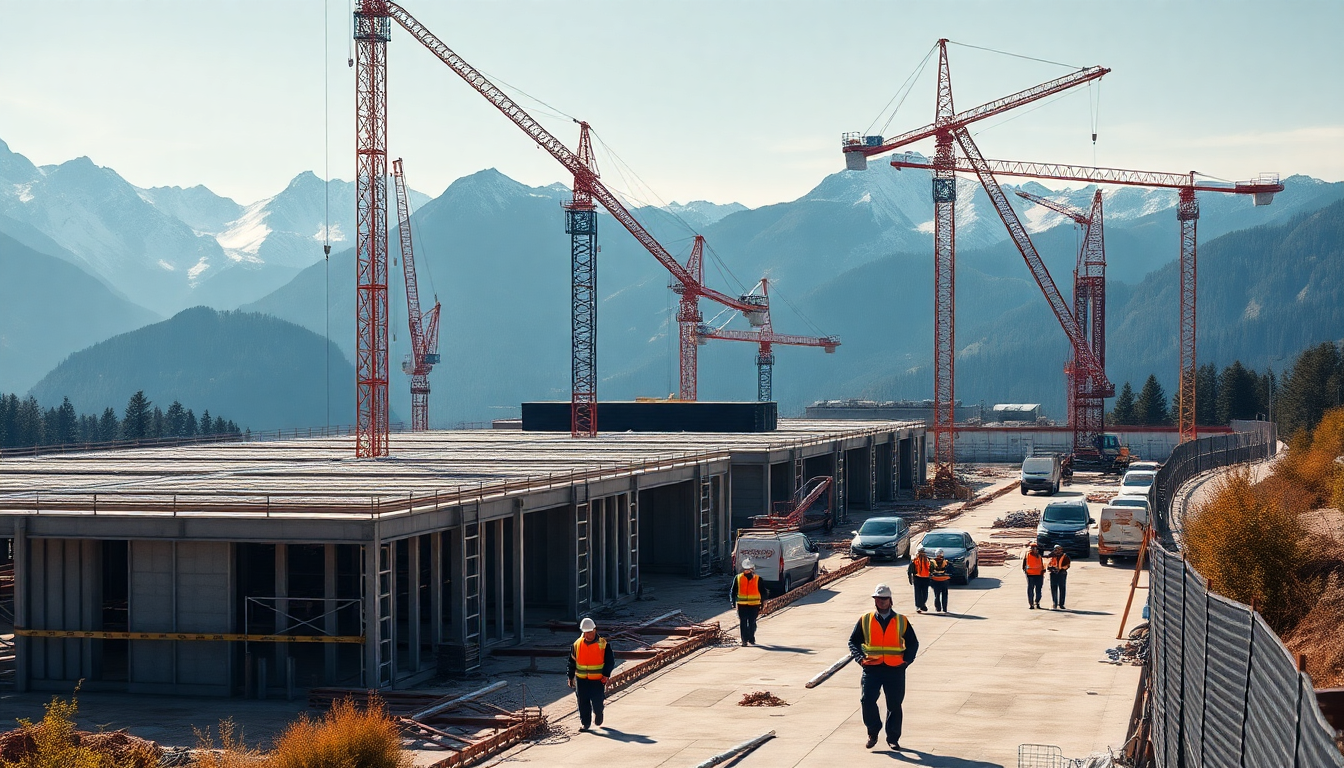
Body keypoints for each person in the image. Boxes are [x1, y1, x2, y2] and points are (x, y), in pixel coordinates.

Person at [848, 583, 919, 752]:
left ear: (890, 600)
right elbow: (853, 642)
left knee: (894, 704)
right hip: (872, 668)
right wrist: (860, 659)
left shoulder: (901, 620)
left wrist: (906, 661)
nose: (881, 602)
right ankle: (873, 731)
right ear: (875, 600)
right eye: (878, 599)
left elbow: (913, 643)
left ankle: (893, 738)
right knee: (867, 700)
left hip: (895, 669)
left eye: (884, 598)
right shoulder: (865, 619)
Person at [566, 617, 615, 731]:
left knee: (597, 702)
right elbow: (571, 662)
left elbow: (610, 661)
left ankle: (599, 714)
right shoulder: (577, 644)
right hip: (581, 680)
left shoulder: (603, 644)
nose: (588, 635)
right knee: (583, 702)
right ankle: (585, 723)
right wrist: (570, 676)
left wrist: (606, 674)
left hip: (597, 680)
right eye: (586, 633)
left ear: (595, 630)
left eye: (590, 632)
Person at [729, 558, 763, 645]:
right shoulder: (738, 578)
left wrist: (762, 603)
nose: (748, 570)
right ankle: (744, 640)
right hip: (742, 605)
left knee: (752, 622)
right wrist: (732, 602)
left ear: (752, 569)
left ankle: (751, 638)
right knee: (743, 622)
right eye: (746, 569)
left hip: (754, 605)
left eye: (749, 569)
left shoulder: (758, 579)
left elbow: (763, 592)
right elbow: (733, 591)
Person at [907, 547, 932, 614]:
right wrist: (910, 578)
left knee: (925, 593)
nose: (921, 554)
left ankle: (922, 604)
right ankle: (918, 606)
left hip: (926, 578)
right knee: (918, 593)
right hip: (917, 578)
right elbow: (910, 569)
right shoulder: (914, 560)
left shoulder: (928, 560)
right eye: (920, 552)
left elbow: (931, 569)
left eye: (923, 552)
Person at [1048, 545, 1072, 609]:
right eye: (1056, 549)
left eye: (1058, 549)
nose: (1057, 551)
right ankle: (1054, 603)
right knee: (1054, 588)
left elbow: (1067, 565)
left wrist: (1061, 569)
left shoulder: (1065, 556)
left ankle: (1061, 604)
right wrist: (1051, 569)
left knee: (1062, 589)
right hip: (1053, 574)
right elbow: (1047, 563)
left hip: (1062, 574)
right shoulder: (1051, 556)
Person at [929, 548, 952, 613]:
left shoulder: (932, 562)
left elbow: (930, 570)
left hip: (935, 580)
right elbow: (951, 570)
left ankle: (938, 608)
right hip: (944, 580)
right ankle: (944, 608)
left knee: (937, 595)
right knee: (945, 595)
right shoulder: (946, 562)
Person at [1023, 542, 1045, 609]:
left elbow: (1044, 563)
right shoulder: (1027, 555)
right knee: (1031, 590)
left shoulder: (1040, 555)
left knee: (1038, 590)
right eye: (1033, 548)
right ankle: (1031, 604)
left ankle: (1037, 602)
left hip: (1039, 574)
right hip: (1030, 575)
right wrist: (1026, 571)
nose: (1034, 549)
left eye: (1035, 548)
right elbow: (1024, 565)